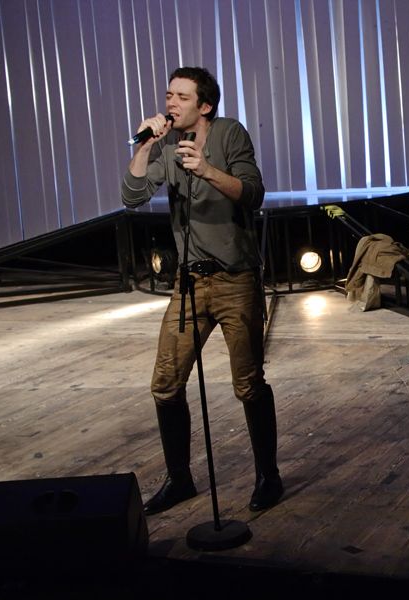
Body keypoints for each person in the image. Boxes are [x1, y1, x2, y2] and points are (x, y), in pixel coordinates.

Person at [121, 67, 283, 515]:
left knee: (248, 383)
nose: (170, 103)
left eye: (181, 97)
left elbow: (253, 193)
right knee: (165, 384)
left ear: (205, 105)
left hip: (235, 280)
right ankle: (180, 480)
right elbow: (132, 196)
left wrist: (207, 169)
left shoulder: (229, 134)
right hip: (189, 283)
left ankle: (268, 477)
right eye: (168, 95)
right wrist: (145, 146)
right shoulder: (167, 145)